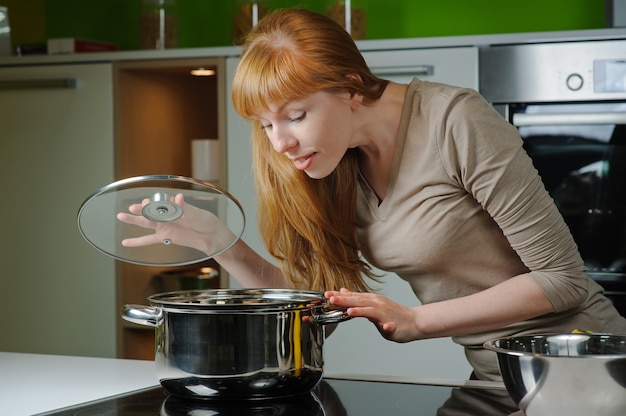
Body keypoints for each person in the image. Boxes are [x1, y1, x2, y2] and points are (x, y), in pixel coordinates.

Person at [117, 8, 626, 381]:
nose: (281, 142)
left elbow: (563, 282)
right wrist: (220, 240)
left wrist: (417, 319)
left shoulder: (455, 121)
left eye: (296, 116)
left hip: (582, 366)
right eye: (266, 124)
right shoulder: (332, 165)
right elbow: (316, 311)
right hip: (496, 375)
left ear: (353, 87)